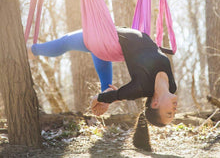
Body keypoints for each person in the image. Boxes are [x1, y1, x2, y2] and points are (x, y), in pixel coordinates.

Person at [28, 27, 177, 127]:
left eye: (169, 113)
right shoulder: (172, 85)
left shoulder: (141, 87)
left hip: (107, 39)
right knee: (76, 45)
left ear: (155, 104)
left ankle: (31, 51)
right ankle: (32, 51)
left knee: (66, 42)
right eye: (173, 114)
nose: (175, 110)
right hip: (115, 37)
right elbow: (120, 95)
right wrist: (109, 96)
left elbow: (121, 94)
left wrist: (100, 98)